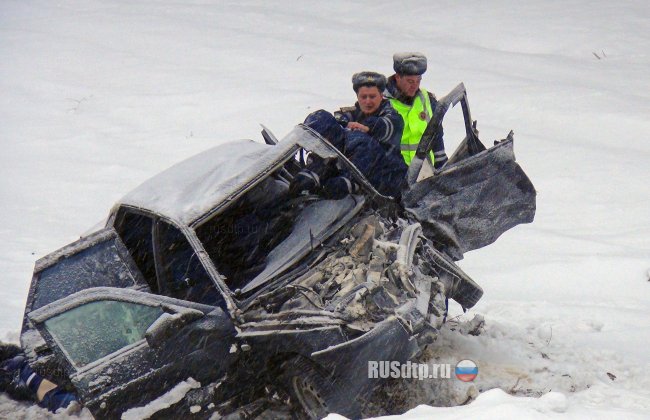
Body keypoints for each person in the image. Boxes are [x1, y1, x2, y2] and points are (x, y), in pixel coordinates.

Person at [297, 71, 407, 199]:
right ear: (357, 96)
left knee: (363, 143)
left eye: (372, 96)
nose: (368, 101)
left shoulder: (393, 117)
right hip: (359, 178)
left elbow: (386, 126)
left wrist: (367, 128)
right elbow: (336, 124)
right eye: (363, 97)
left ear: (381, 96)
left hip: (388, 183)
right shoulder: (350, 114)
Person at [384, 52, 448, 169]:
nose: (415, 86)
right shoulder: (381, 103)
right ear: (398, 77)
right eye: (410, 81)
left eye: (418, 80)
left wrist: (442, 164)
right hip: (395, 175)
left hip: (426, 174)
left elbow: (436, 135)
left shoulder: (428, 99)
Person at [0, 343, 79, 413]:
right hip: (36, 379)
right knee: (64, 401)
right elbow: (16, 391)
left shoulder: (8, 351)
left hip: (40, 367)